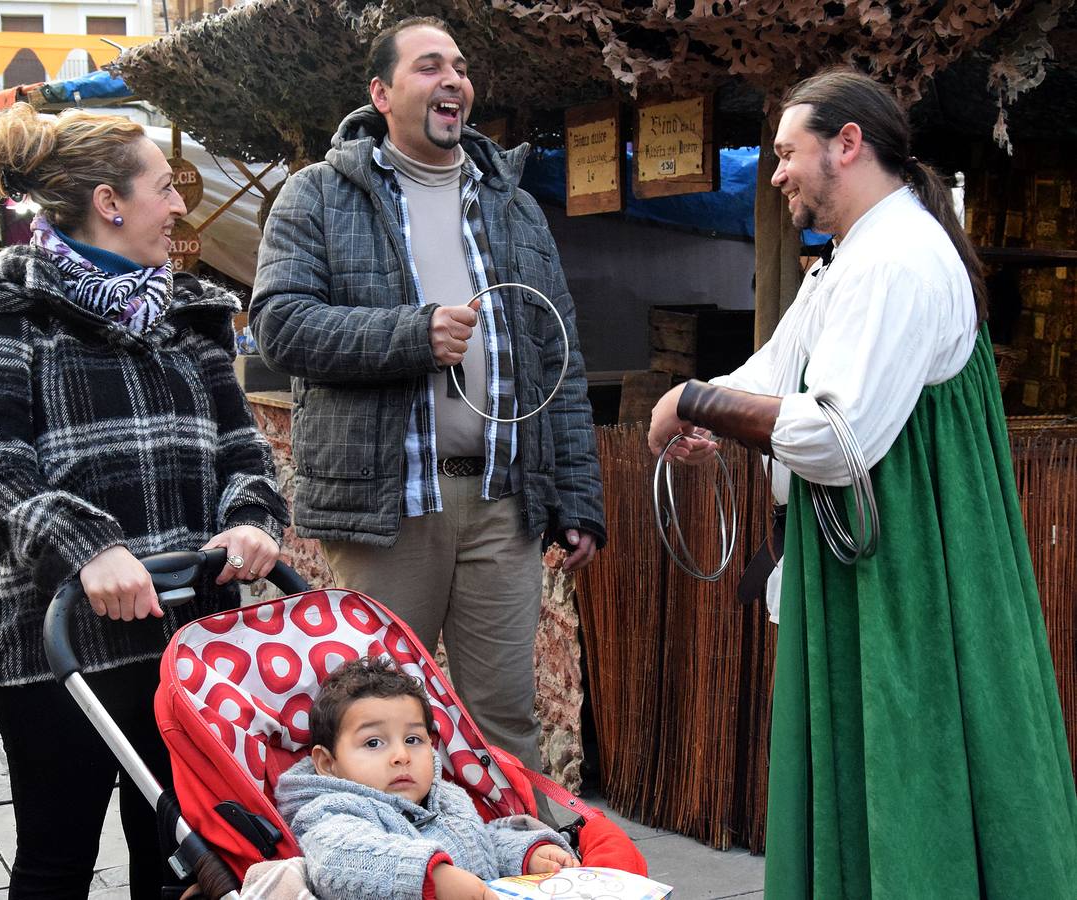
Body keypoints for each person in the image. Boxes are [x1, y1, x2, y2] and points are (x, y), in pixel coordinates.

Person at [648, 69, 1077, 897]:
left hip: (914, 574)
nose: (775, 174)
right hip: (870, 569)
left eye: (786, 153)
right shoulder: (851, 261)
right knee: (871, 765)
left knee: (914, 765)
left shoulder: (898, 261)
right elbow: (778, 371)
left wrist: (695, 399)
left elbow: (839, 437)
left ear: (847, 145)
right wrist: (716, 412)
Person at [0, 103, 289, 899]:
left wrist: (248, 518)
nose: (178, 207)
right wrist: (90, 549)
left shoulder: (192, 314)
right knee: (57, 856)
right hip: (54, 636)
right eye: (164, 189)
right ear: (109, 200)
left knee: (176, 860)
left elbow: (242, 448)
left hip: (187, 636)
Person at [249, 16, 605, 783]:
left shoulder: (512, 205)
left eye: (461, 68)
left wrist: (576, 493)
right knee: (379, 720)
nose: (453, 80)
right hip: (388, 507)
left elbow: (559, 362)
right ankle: (392, 873)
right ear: (381, 93)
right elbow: (280, 325)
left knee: (503, 716)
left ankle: (520, 869)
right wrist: (411, 337)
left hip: (499, 501)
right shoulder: (316, 195)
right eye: (429, 66)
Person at [274, 657, 577, 899]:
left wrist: (528, 855)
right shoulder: (332, 812)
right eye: (373, 743)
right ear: (328, 764)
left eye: (413, 740)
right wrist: (433, 877)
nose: (401, 756)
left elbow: (479, 844)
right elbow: (338, 861)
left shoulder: (446, 797)